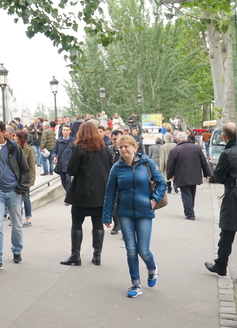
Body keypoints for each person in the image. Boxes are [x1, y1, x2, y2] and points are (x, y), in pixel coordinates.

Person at [103, 135, 167, 297]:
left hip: (145, 212)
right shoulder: (116, 168)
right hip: (124, 213)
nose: (123, 149)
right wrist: (106, 215)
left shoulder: (147, 164)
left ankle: (152, 268)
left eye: (126, 146)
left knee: (143, 250)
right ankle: (135, 284)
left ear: (134, 147)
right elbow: (110, 192)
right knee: (131, 249)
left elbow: (162, 183)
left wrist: (154, 200)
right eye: (120, 147)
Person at [60, 121, 113, 267]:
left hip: (82, 192)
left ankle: (75, 255)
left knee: (77, 223)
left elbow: (71, 170)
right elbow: (111, 167)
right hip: (100, 192)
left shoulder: (80, 149)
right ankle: (97, 255)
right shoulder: (105, 149)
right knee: (97, 224)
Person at [0, 120, 31, 271]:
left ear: (4, 132)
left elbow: (25, 169)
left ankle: (17, 250)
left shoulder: (14, 147)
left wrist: (21, 188)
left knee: (16, 225)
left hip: (14, 192)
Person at [205, 123, 237, 276]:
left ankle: (221, 265)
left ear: (224, 137)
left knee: (228, 231)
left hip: (233, 194)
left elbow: (217, 176)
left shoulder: (228, 153)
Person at [166, 131, 211, 220]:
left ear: (178, 139)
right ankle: (190, 210)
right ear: (186, 138)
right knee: (191, 193)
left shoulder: (175, 150)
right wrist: (207, 173)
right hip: (195, 174)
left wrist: (169, 175)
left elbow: (170, 164)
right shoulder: (197, 148)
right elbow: (203, 162)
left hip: (182, 175)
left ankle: (190, 213)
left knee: (186, 194)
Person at [14, 130, 36, 227]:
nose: (14, 138)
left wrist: (31, 180)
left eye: (16, 136)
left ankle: (28, 219)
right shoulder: (13, 148)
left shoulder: (29, 150)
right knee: (16, 199)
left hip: (25, 179)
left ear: (20, 138)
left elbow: (32, 167)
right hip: (15, 178)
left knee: (26, 198)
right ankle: (17, 218)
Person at [53, 123, 74, 194]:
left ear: (70, 131)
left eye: (67, 130)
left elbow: (75, 153)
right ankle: (70, 194)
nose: (65, 131)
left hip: (69, 164)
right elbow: (54, 151)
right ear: (62, 131)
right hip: (61, 164)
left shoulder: (73, 142)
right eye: (64, 130)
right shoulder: (58, 141)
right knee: (63, 181)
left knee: (68, 181)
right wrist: (55, 157)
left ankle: (68, 197)